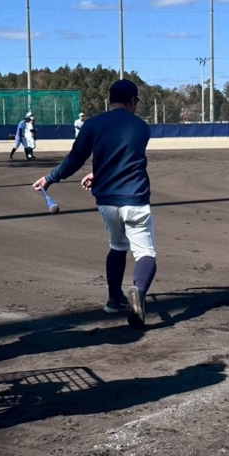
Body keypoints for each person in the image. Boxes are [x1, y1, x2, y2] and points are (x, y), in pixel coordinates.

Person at [33, 79, 156, 329]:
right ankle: (139, 291)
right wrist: (98, 173)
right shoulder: (141, 127)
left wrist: (50, 178)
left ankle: (114, 300)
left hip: (107, 202)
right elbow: (126, 159)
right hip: (135, 199)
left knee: (117, 246)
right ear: (132, 101)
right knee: (145, 253)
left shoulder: (92, 124)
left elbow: (75, 159)